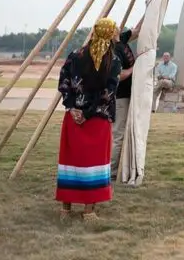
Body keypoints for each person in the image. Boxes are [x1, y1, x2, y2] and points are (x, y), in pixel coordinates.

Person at [56, 17, 122, 221]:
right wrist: (88, 113)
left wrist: (72, 107)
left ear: (94, 31)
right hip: (97, 121)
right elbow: (108, 93)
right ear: (111, 34)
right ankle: (88, 211)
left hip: (73, 119)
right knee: (94, 164)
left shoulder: (75, 55)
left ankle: (65, 209)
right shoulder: (114, 61)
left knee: (71, 162)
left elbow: (64, 83)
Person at [111, 25, 138, 175]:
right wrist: (135, 68)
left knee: (122, 133)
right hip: (121, 96)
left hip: (128, 95)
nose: (119, 27)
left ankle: (119, 167)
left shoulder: (122, 39)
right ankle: (112, 170)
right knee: (118, 134)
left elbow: (137, 30)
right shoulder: (114, 49)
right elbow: (118, 75)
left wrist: (149, 8)